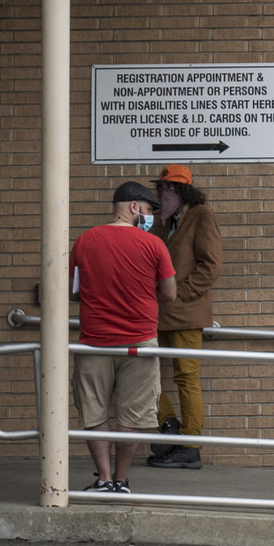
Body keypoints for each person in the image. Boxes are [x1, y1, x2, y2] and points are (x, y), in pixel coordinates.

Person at [68, 182, 177, 496]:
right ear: (133, 207)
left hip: (93, 342)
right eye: (148, 210)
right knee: (133, 416)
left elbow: (73, 293)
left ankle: (102, 479)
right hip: (139, 342)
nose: (150, 217)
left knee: (94, 413)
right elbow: (170, 294)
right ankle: (121, 480)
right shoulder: (154, 245)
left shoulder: (85, 240)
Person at [145, 165, 223, 472]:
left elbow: (211, 265)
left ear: (185, 191)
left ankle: (190, 446)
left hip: (186, 314)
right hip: (157, 314)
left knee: (186, 377)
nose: (166, 194)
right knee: (144, 374)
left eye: (173, 189)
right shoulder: (161, 222)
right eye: (163, 188)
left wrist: (181, 294)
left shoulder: (200, 215)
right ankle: (169, 424)